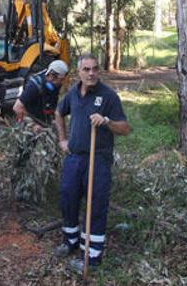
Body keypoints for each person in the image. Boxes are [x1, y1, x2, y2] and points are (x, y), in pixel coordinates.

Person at [52, 53, 131, 273]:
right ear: (79, 72)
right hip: (74, 157)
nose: (91, 73)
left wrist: (106, 121)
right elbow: (59, 113)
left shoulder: (108, 96)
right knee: (68, 197)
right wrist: (62, 140)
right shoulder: (73, 93)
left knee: (95, 204)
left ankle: (92, 255)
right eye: (86, 69)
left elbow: (125, 128)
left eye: (95, 68)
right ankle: (70, 241)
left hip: (98, 158)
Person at [13, 59, 69, 126]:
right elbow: (17, 107)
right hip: (30, 121)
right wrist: (32, 125)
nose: (62, 82)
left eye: (63, 79)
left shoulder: (56, 85)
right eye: (61, 80)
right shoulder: (34, 85)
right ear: (51, 76)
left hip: (43, 118)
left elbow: (52, 104)